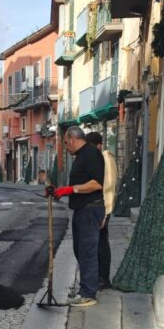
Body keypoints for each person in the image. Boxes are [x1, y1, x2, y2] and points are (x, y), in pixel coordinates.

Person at [46, 126, 105, 307]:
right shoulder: (81, 156)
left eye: (65, 142)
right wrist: (59, 191)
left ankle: (88, 294)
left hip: (90, 209)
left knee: (87, 251)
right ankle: (84, 288)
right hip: (82, 209)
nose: (65, 146)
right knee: (80, 250)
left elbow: (96, 184)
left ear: (72, 139)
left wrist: (71, 189)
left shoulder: (91, 154)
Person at [85, 131, 118, 290]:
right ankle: (99, 277)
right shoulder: (97, 159)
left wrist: (105, 213)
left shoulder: (106, 159)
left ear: (99, 145)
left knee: (101, 243)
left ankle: (104, 279)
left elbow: (109, 187)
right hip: (96, 207)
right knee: (96, 243)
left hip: (103, 208)